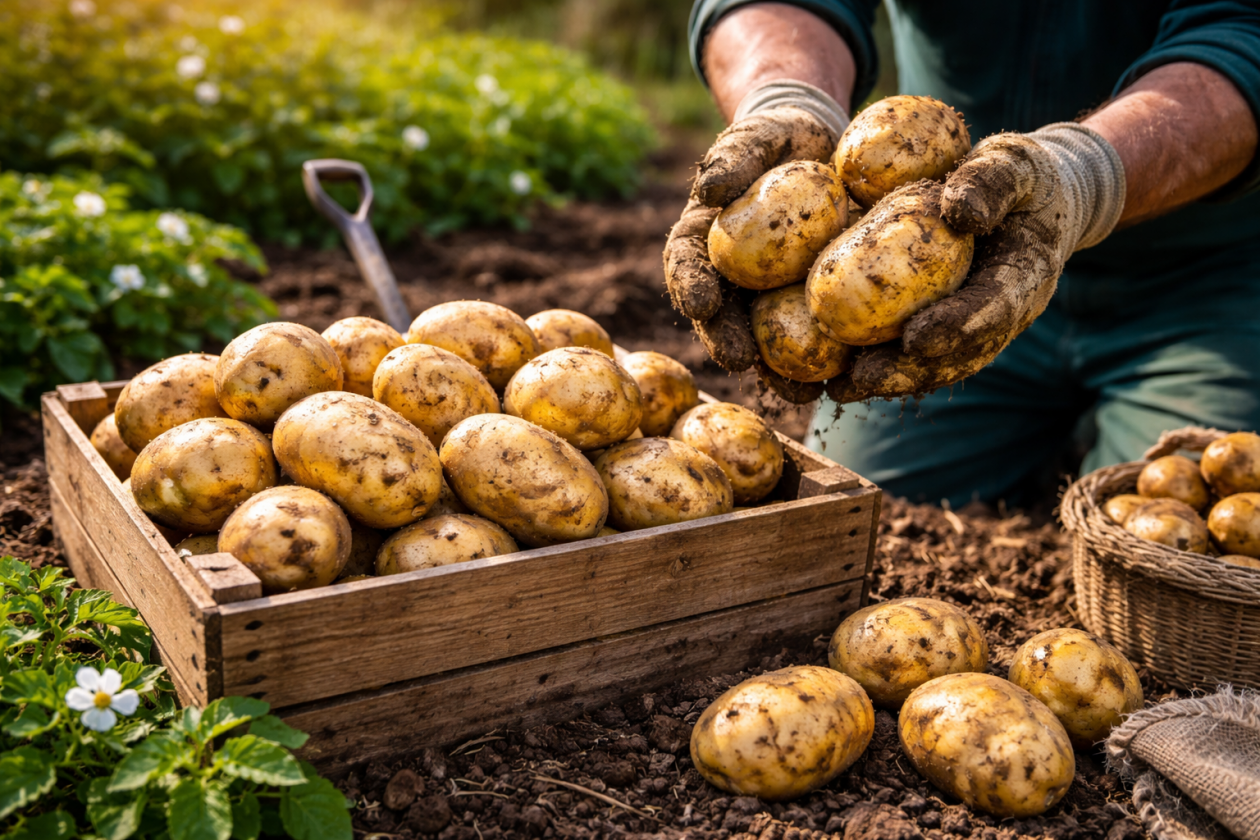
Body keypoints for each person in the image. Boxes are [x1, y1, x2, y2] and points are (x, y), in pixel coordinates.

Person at [665, 1, 1260, 507]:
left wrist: (1081, 178)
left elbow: (1243, 32)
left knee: (1185, 527)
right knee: (849, 501)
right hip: (954, 287)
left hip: (1200, 288)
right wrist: (789, 99)